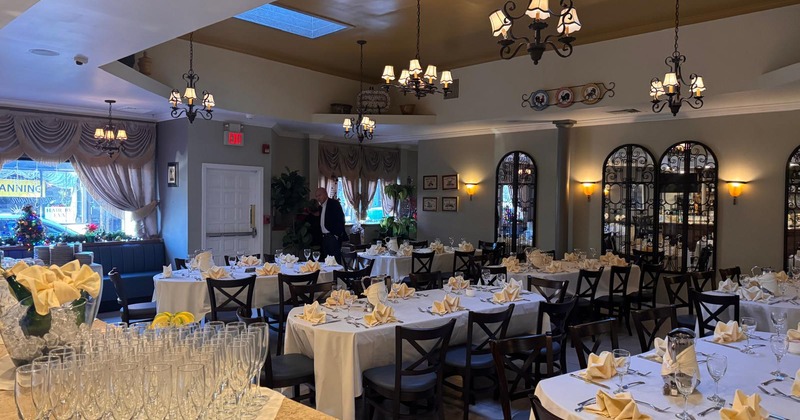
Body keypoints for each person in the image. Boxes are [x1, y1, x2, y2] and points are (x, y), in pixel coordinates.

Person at [313, 187, 346, 263]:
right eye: (316, 196)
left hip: (332, 237)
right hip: (324, 238)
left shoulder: (334, 204)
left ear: (325, 194)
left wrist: (336, 235)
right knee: (326, 261)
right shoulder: (321, 207)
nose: (318, 198)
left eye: (319, 195)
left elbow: (341, 219)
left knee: (335, 261)